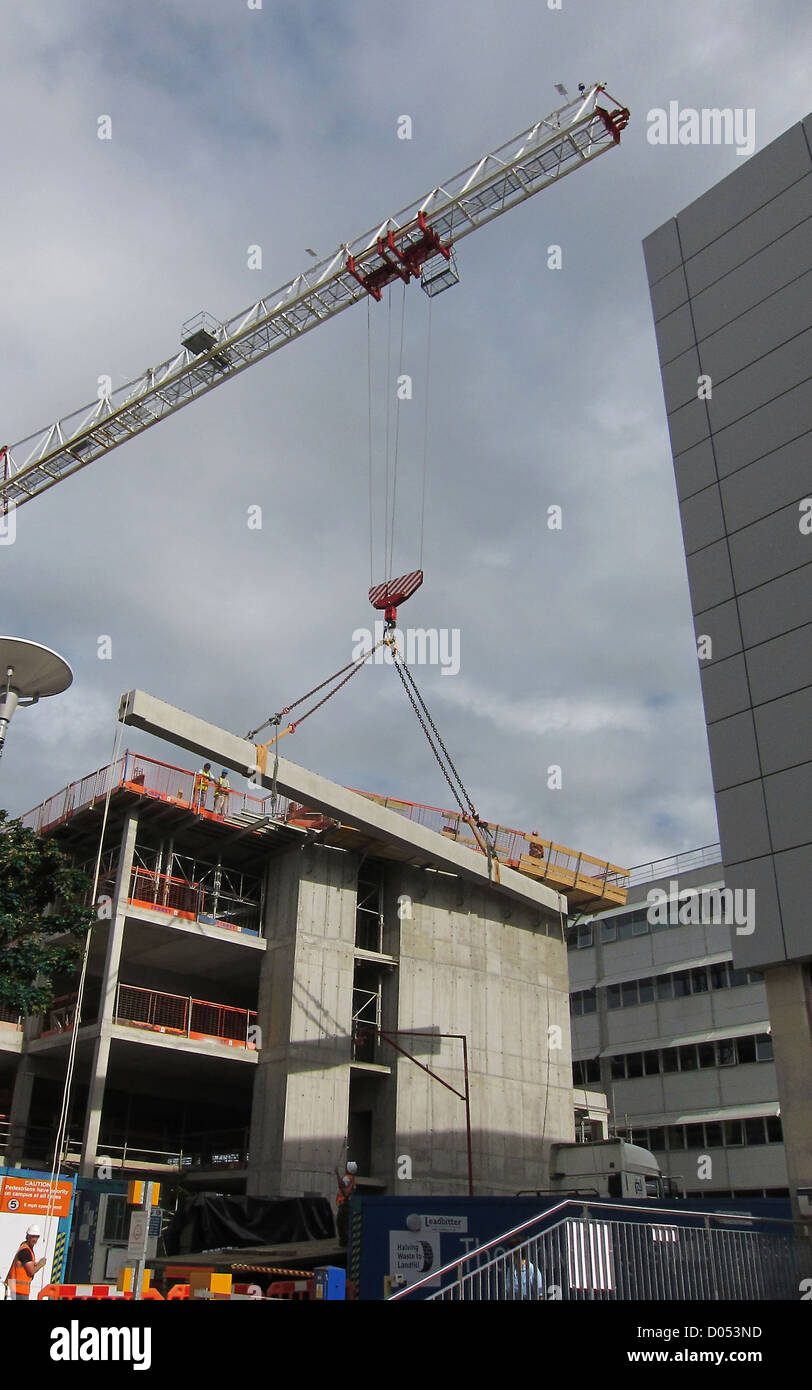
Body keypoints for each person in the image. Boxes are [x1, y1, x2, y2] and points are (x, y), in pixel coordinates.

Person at [5, 1225, 47, 1300]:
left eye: (36, 1237)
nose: (34, 1239)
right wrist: (40, 1264)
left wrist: (35, 1264)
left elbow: (25, 1265)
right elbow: (31, 1272)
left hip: (14, 1287)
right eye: (32, 1236)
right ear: (27, 1236)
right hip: (19, 1290)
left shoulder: (25, 1247)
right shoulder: (26, 1251)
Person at [334, 1160, 358, 1247]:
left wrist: (337, 1174)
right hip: (348, 1204)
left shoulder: (347, 1177)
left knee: (340, 1222)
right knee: (346, 1223)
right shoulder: (353, 1179)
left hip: (344, 1204)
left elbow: (341, 1185)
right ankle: (346, 1241)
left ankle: (344, 1242)